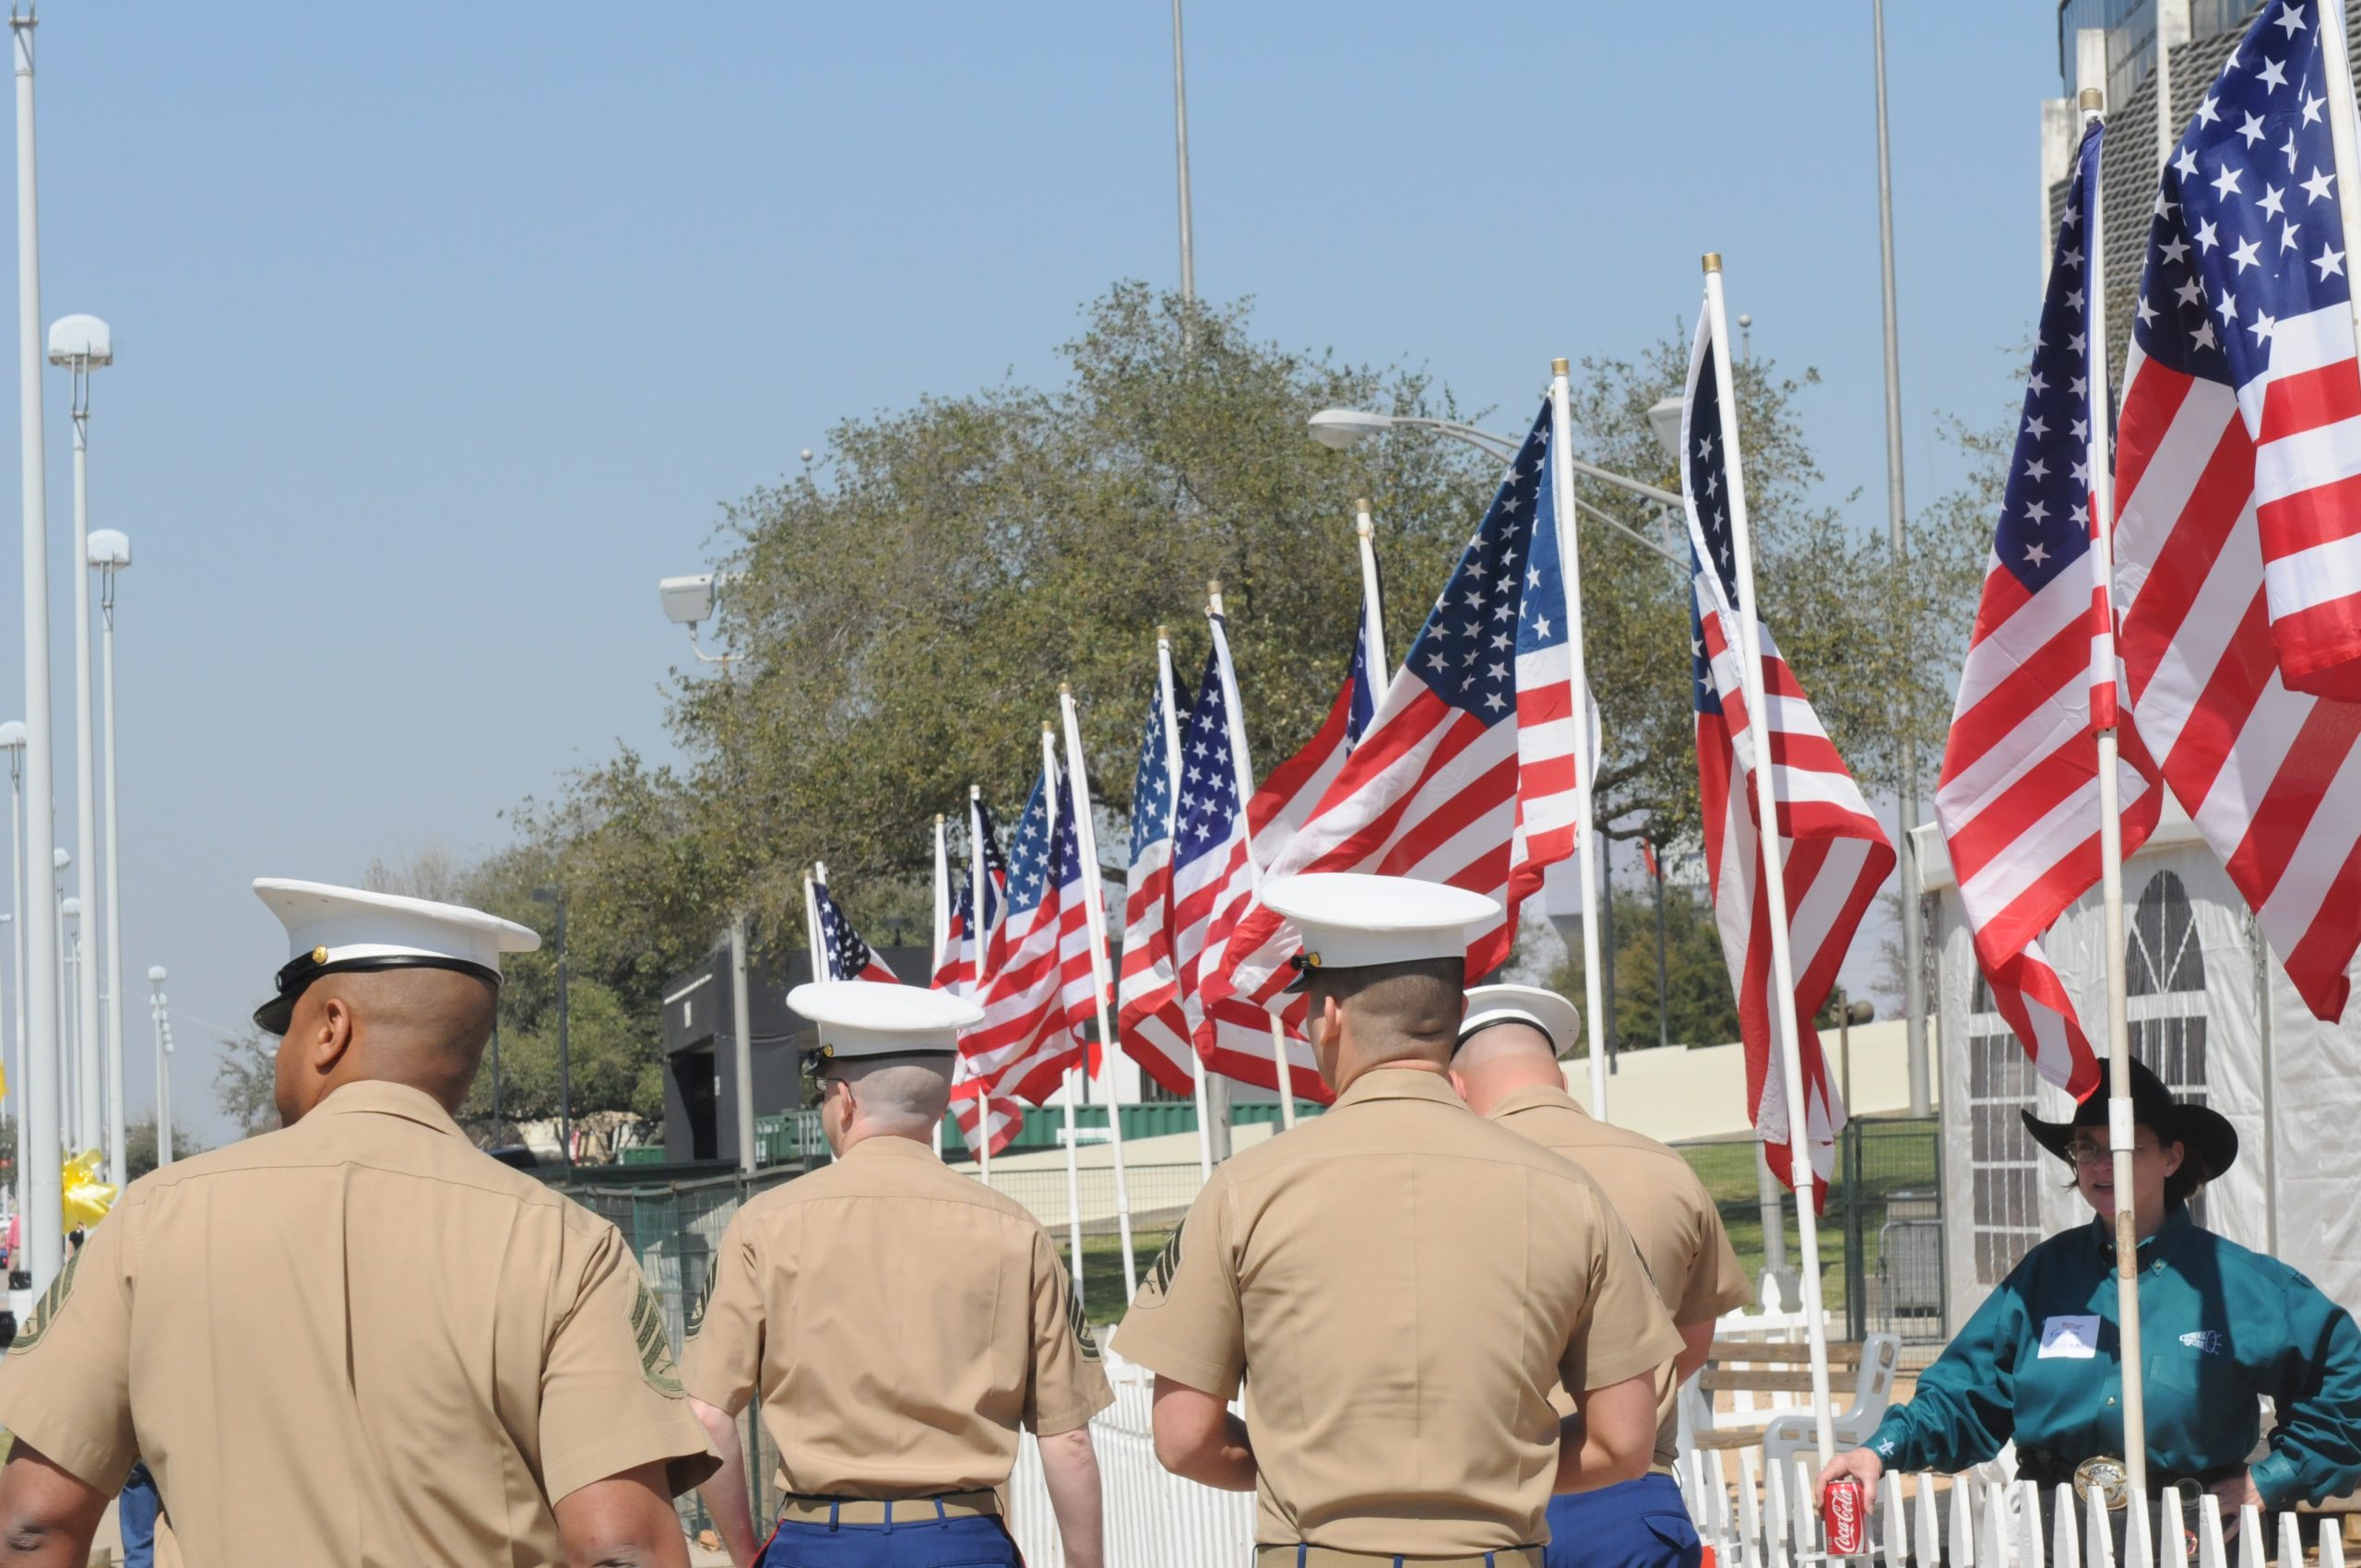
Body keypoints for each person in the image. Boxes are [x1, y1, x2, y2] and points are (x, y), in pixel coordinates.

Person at [0, 879, 718, 1566]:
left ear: (330, 1030)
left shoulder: (154, 1220)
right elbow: (620, 1547)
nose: (279, 1056)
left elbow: (33, 1525)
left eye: (284, 1030)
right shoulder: (567, 1245)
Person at [1114, 873, 1683, 1566]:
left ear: (1331, 1017)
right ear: (1457, 1010)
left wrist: (1317, 1478)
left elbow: (1184, 1438)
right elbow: (1623, 1442)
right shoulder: (1572, 1193)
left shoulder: (1242, 1191)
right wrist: (1502, 1479)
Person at [1819, 1058, 2361, 1533]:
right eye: (2087, 1148)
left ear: (2172, 1158)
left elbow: (2344, 1377)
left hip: (2193, 1534)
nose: (2102, 1165)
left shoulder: (2238, 1284)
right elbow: (1965, 1395)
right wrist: (1880, 1450)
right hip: (2054, 1529)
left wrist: (2275, 1478)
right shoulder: (2044, 1277)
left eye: (2122, 1147)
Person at [682, 980, 1111, 1568]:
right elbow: (1070, 1441)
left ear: (844, 1100)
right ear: (939, 1104)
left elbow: (707, 1414)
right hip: (964, 1541)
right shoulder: (1017, 1231)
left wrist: (742, 1553)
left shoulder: (764, 1225)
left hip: (818, 1540)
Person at [1452, 983, 1750, 1568]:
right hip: (1631, 1497)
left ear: (1457, 1088)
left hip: (1485, 1502)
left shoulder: (1444, 1178)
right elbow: (1688, 1349)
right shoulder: (1667, 1171)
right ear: (1561, 1082)